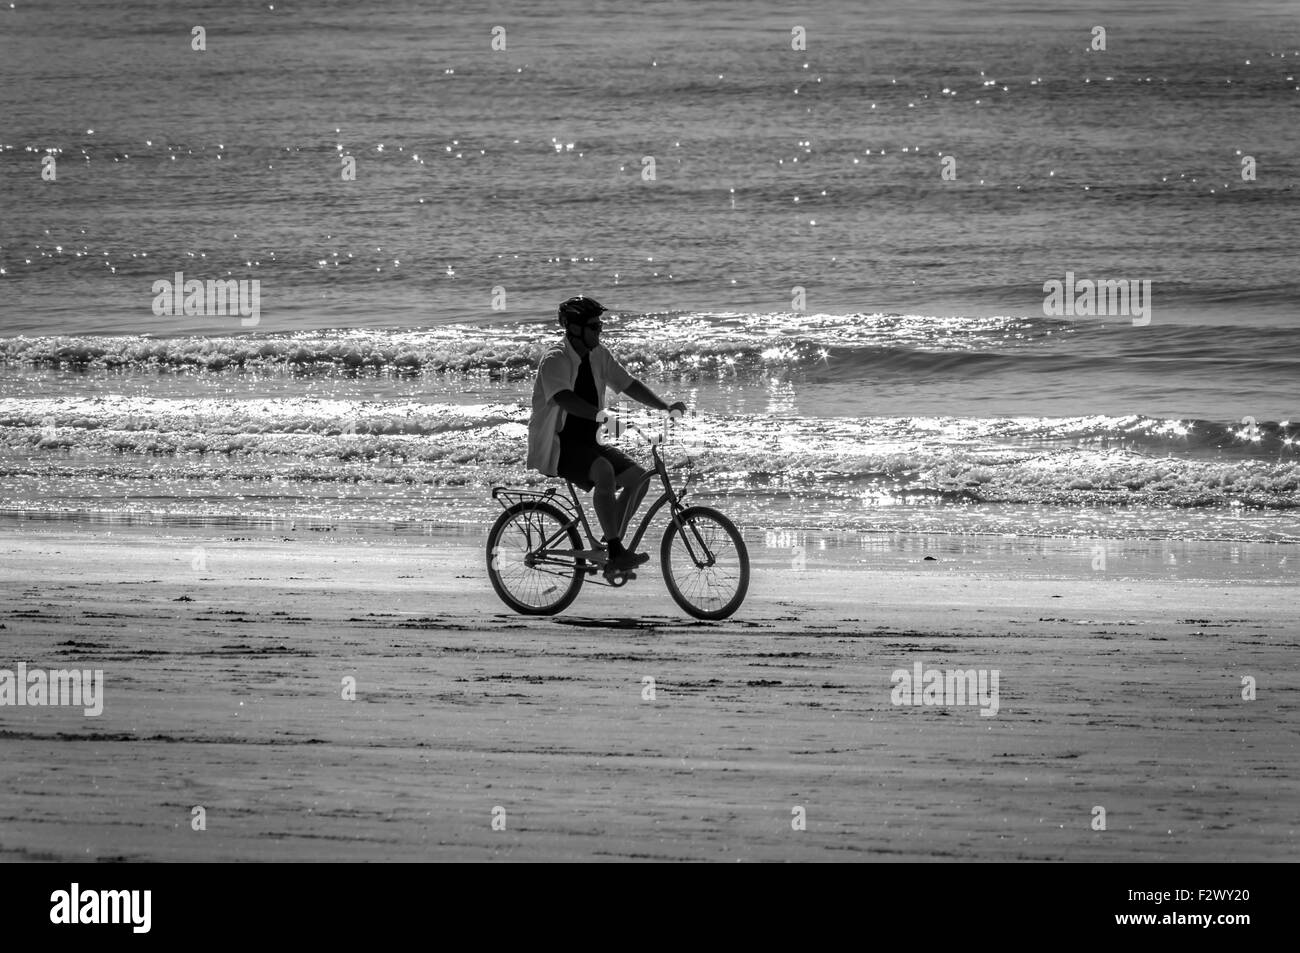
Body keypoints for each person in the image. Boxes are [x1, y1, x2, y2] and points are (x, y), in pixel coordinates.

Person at [527, 295, 687, 572]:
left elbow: (627, 384)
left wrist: (664, 406)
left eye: (600, 325)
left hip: (589, 442)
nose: (599, 330)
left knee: (638, 477)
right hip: (559, 444)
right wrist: (603, 416)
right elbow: (565, 399)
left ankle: (612, 543)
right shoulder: (556, 358)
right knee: (603, 470)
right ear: (574, 328)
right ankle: (615, 551)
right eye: (594, 326)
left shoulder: (599, 354)